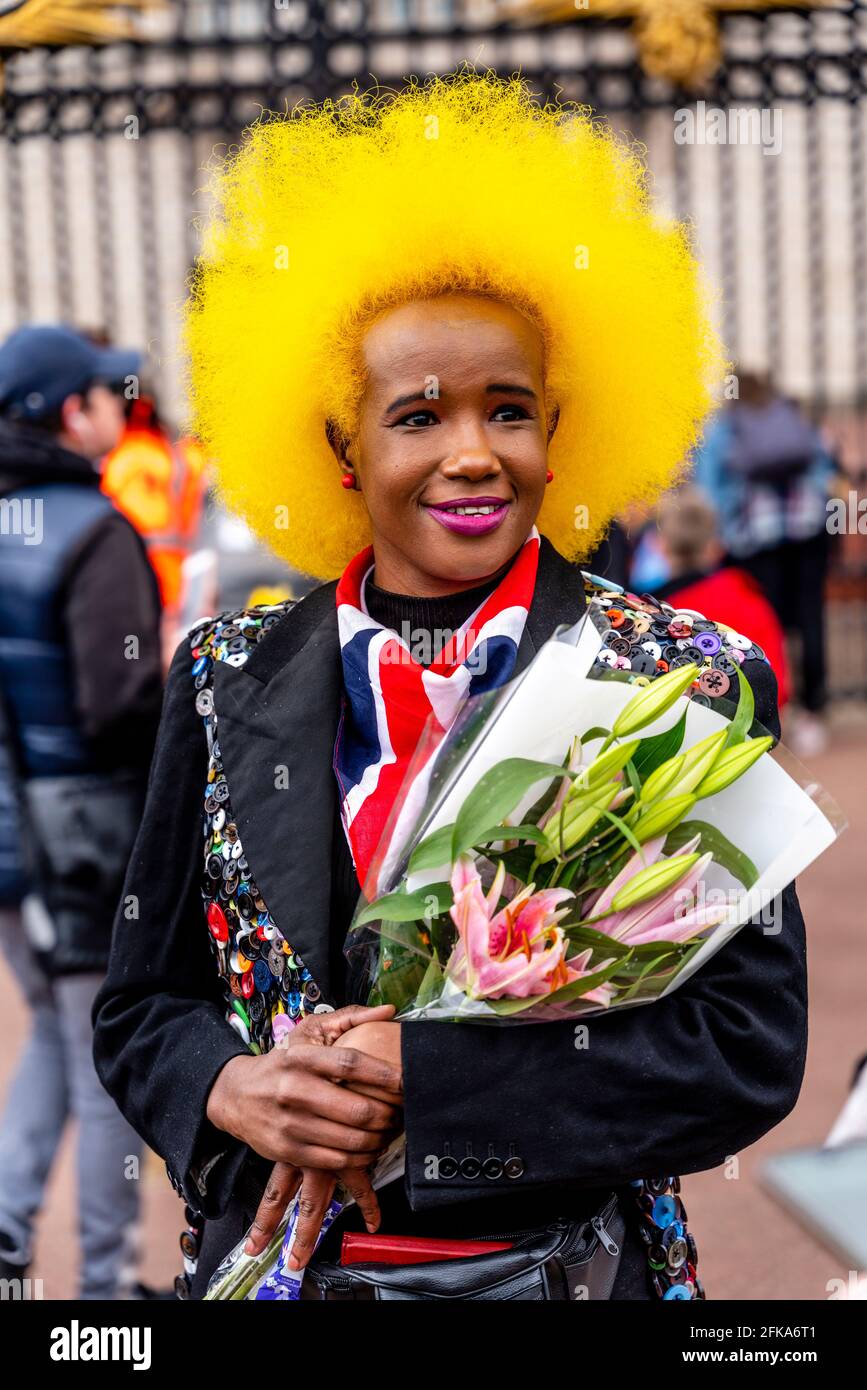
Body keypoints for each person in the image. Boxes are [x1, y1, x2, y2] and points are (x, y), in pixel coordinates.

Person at [92, 73, 808, 1301]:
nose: (473, 453)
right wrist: (224, 1084)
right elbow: (143, 1004)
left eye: (510, 410)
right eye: (417, 415)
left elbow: (743, 1048)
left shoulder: (680, 676)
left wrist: (434, 1082)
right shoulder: (222, 675)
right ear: (340, 444)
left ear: (560, 427)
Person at [0, 325, 164, 1298]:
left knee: (60, 1033)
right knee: (106, 1058)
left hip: (17, 846)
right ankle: (109, 1291)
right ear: (73, 413)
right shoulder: (93, 530)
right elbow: (119, 706)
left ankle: (8, 1232)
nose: (122, 406)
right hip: (80, 846)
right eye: (108, 394)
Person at [692, 371, 836, 755]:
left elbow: (709, 484)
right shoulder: (788, 414)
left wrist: (719, 529)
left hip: (756, 537)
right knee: (811, 618)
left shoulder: (726, 425)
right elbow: (823, 466)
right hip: (807, 527)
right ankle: (815, 712)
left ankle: (774, 709)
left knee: (765, 624)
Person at [650, 485, 791, 712]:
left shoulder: (648, 615)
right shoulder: (750, 602)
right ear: (715, 547)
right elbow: (778, 689)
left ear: (661, 546)